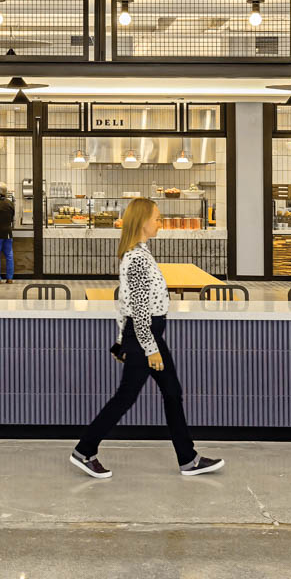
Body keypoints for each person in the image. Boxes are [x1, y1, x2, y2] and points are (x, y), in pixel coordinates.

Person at [71, 198, 223, 479]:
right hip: (146, 336)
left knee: (171, 393)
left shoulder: (139, 253)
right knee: (128, 397)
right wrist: (149, 348)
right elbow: (139, 310)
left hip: (142, 335)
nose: (160, 222)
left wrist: (120, 341)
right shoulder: (137, 258)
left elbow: (125, 303)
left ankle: (187, 458)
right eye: (157, 218)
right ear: (142, 222)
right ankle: (85, 449)